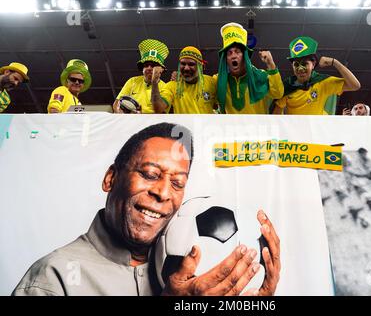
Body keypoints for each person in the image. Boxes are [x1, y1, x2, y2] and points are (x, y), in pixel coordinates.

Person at [12, 122, 281, 296]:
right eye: (150, 174)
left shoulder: (195, 270)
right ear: (111, 178)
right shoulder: (51, 278)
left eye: (177, 183)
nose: (163, 192)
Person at [272, 36, 360, 115]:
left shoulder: (322, 82)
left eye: (305, 63)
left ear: (313, 64)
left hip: (316, 130)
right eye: (296, 65)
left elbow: (355, 86)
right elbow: (278, 109)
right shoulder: (287, 86)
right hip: (295, 130)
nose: (300, 69)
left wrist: (335, 62)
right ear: (292, 66)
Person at [215, 22, 284, 114]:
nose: (233, 56)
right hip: (231, 128)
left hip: (258, 128)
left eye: (237, 51)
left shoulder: (261, 76)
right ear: (225, 59)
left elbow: (278, 94)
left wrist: (271, 64)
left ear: (245, 55)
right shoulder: (218, 80)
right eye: (229, 53)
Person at [151, 46, 217, 114]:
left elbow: (219, 105)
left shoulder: (211, 82)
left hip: (206, 124)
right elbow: (158, 109)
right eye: (183, 64)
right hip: (184, 125)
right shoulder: (172, 86)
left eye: (191, 64)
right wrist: (154, 82)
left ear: (201, 67)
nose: (186, 68)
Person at [113, 39, 168, 114]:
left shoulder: (166, 88)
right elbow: (117, 103)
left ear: (161, 69)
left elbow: (161, 113)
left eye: (153, 65)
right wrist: (122, 116)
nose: (149, 68)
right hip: (132, 122)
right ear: (142, 68)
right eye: (146, 65)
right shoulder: (132, 81)